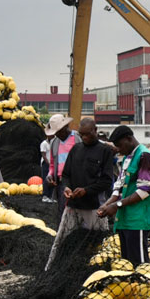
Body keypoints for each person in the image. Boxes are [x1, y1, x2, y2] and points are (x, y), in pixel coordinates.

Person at [45, 118, 116, 269]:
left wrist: (86, 191)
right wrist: (67, 188)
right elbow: (65, 175)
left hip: (94, 207)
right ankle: (54, 268)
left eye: (87, 134)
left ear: (95, 130)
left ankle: (98, 270)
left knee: (98, 243)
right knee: (62, 239)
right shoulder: (76, 149)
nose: (84, 138)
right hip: (73, 205)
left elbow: (106, 181)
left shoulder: (105, 151)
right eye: (82, 134)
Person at [97, 126, 150, 266]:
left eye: (119, 145)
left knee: (140, 265)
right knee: (127, 263)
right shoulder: (127, 158)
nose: (118, 149)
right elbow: (119, 185)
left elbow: (144, 191)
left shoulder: (145, 156)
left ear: (129, 139)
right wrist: (108, 204)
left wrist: (116, 205)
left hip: (138, 219)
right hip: (125, 219)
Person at [45, 114, 76, 221]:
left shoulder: (76, 138)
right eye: (56, 133)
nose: (58, 134)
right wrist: (50, 175)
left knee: (76, 211)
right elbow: (52, 165)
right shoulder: (54, 143)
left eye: (60, 131)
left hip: (76, 182)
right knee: (62, 211)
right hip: (62, 182)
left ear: (66, 126)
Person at [39, 137, 54, 203]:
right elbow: (44, 155)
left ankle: (50, 196)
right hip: (46, 163)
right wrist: (48, 163)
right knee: (45, 179)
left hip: (52, 164)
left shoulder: (53, 143)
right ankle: (45, 196)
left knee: (52, 179)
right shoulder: (44, 144)